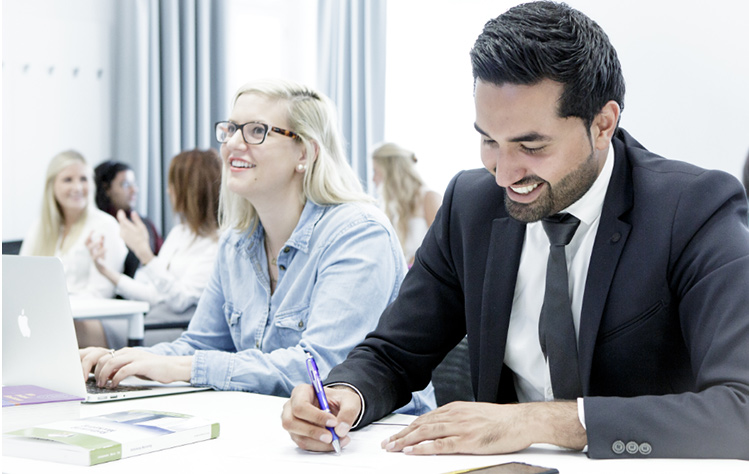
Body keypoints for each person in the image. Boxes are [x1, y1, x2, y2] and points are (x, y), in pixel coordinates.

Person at [282, 1, 749, 460]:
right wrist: (344, 396)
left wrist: (545, 420)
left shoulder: (693, 209)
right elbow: (393, 353)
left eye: (531, 145)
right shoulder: (471, 204)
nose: (503, 173)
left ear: (603, 124)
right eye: (488, 140)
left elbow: (741, 406)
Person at [79, 79, 435, 415]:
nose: (233, 143)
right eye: (231, 129)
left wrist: (183, 367)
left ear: (306, 152)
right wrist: (120, 360)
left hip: (378, 438)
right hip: (271, 428)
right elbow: (200, 345)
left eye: (256, 131)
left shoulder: (358, 233)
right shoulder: (236, 243)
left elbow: (323, 370)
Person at [83, 149, 222, 349]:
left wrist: (146, 255)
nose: (169, 191)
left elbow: (180, 301)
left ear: (190, 190)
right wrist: (105, 271)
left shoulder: (218, 243)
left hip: (178, 330)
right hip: (152, 320)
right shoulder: (180, 233)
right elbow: (154, 294)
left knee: (80, 329)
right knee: (76, 327)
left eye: (172, 185)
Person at [20, 150, 128, 303]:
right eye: (68, 180)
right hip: (47, 311)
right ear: (52, 186)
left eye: (83, 179)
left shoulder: (105, 225)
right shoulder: (40, 227)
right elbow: (21, 279)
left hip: (90, 315)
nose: (77, 187)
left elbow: (101, 292)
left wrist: (58, 306)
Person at [371, 143, 441, 265]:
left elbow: (440, 249)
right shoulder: (391, 208)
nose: (373, 179)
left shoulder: (429, 198)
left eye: (376, 171)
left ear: (391, 171)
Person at [94, 160, 163, 277]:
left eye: (134, 184)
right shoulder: (98, 223)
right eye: (126, 184)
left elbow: (161, 262)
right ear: (106, 189)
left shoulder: (144, 224)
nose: (134, 190)